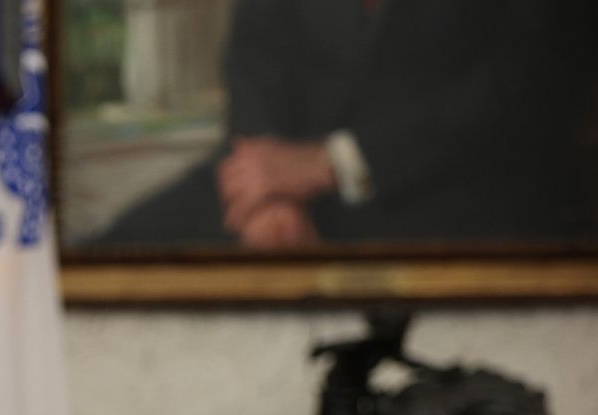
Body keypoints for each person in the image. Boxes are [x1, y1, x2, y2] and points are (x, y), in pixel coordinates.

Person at [95, 0, 597, 250]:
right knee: (110, 255)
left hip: (465, 188)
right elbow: (254, 59)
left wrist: (339, 163)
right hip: (285, 179)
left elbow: (534, 83)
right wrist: (268, 194)